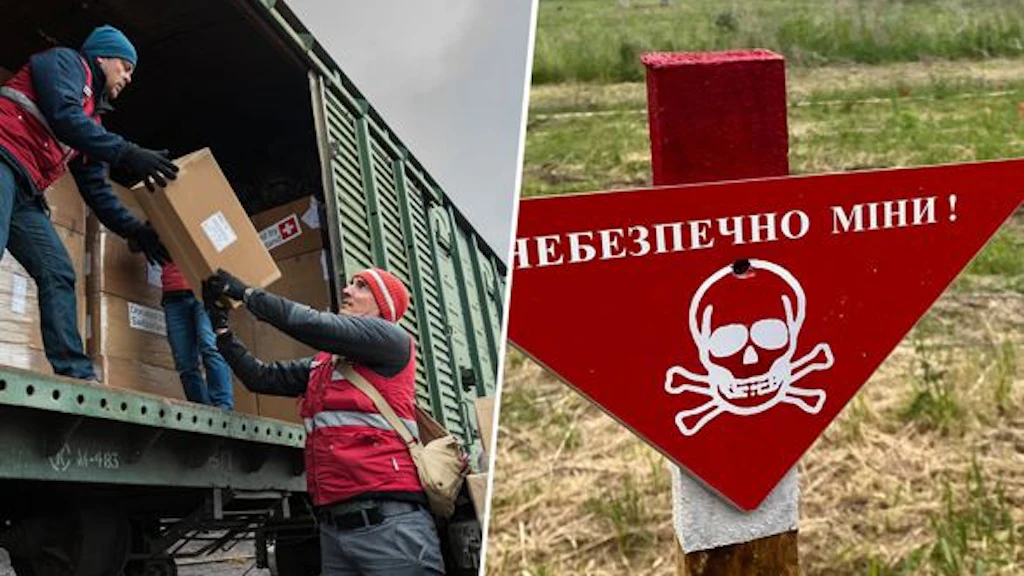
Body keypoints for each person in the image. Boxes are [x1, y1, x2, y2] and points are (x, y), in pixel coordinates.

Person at [203, 267, 444, 575]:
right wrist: (222, 330)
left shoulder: (393, 340)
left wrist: (245, 293)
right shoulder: (324, 366)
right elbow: (261, 377)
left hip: (390, 528)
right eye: (350, 283)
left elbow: (310, 324)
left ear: (383, 305)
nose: (347, 290)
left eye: (361, 287)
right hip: (334, 531)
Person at [0, 24, 179, 379]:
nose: (128, 78)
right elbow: (62, 115)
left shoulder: (92, 120)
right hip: (2, 156)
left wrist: (136, 230)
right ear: (102, 57)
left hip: (26, 190)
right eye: (125, 67)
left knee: (58, 271)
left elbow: (97, 191)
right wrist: (128, 152)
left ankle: (75, 373)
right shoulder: (65, 63)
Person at [161, 262, 233, 409]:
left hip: (203, 289)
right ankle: (202, 411)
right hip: (172, 295)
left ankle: (223, 408)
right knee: (184, 362)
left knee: (209, 346)